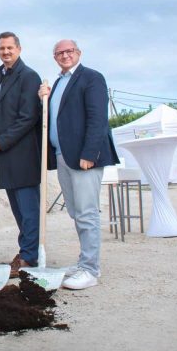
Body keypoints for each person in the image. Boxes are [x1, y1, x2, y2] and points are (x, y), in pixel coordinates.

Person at [39, 39, 119, 290]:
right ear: (54, 57)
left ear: (78, 53)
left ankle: (90, 270)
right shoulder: (58, 83)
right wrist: (43, 99)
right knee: (75, 212)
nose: (65, 55)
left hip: (84, 158)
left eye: (69, 51)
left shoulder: (91, 78)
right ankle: (85, 261)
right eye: (59, 53)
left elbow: (98, 118)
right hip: (63, 155)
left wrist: (90, 153)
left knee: (86, 212)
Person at [0, 32, 43, 278]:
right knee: (19, 210)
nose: (5, 52)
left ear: (19, 49)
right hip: (8, 156)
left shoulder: (28, 76)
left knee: (28, 209)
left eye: (9, 48)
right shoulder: (4, 75)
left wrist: (0, 142)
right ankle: (26, 251)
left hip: (23, 154)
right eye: (2, 48)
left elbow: (28, 117)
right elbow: (5, 111)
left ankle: (29, 256)